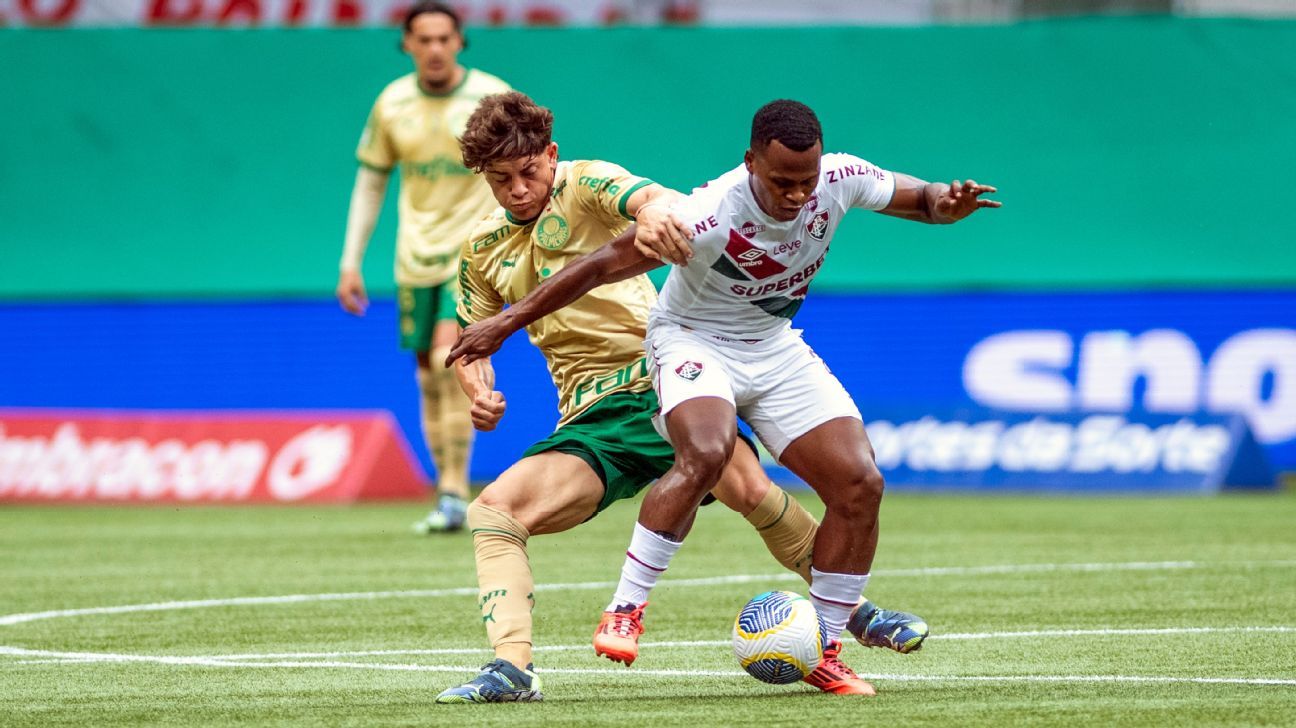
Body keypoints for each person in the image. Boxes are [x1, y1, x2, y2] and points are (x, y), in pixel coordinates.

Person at [449, 99, 997, 694]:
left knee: (755, 485)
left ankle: (838, 624)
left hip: (657, 375)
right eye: (501, 179)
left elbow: (650, 201)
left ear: (551, 156)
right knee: (502, 512)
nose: (518, 189)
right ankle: (515, 669)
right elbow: (470, 341)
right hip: (594, 410)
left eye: (529, 171)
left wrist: (654, 214)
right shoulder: (480, 250)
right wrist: (479, 391)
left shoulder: (585, 183)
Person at [335, 1, 509, 533]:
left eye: (443, 39)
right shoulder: (392, 104)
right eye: (424, 39)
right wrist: (350, 261)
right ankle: (448, 493)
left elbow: (524, 174)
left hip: (473, 255)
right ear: (407, 45)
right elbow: (371, 182)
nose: (434, 49)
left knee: (444, 360)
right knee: (427, 376)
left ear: (460, 42)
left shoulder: (491, 98)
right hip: (414, 259)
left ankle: (455, 491)